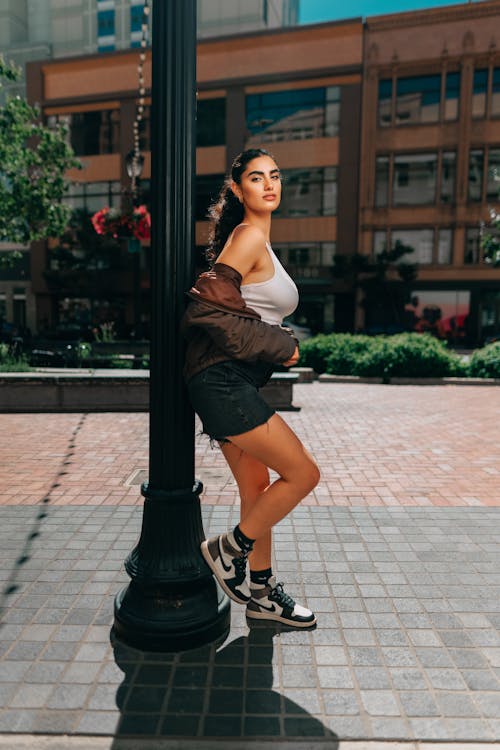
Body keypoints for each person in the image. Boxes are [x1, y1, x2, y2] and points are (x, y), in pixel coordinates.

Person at [180, 148, 321, 628]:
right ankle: (229, 550)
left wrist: (273, 345)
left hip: (228, 379)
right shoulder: (247, 236)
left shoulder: (259, 240)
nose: (268, 185)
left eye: (275, 176)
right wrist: (282, 345)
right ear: (238, 190)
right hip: (222, 380)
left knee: (257, 489)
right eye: (256, 178)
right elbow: (206, 310)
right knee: (303, 474)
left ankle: (262, 596)